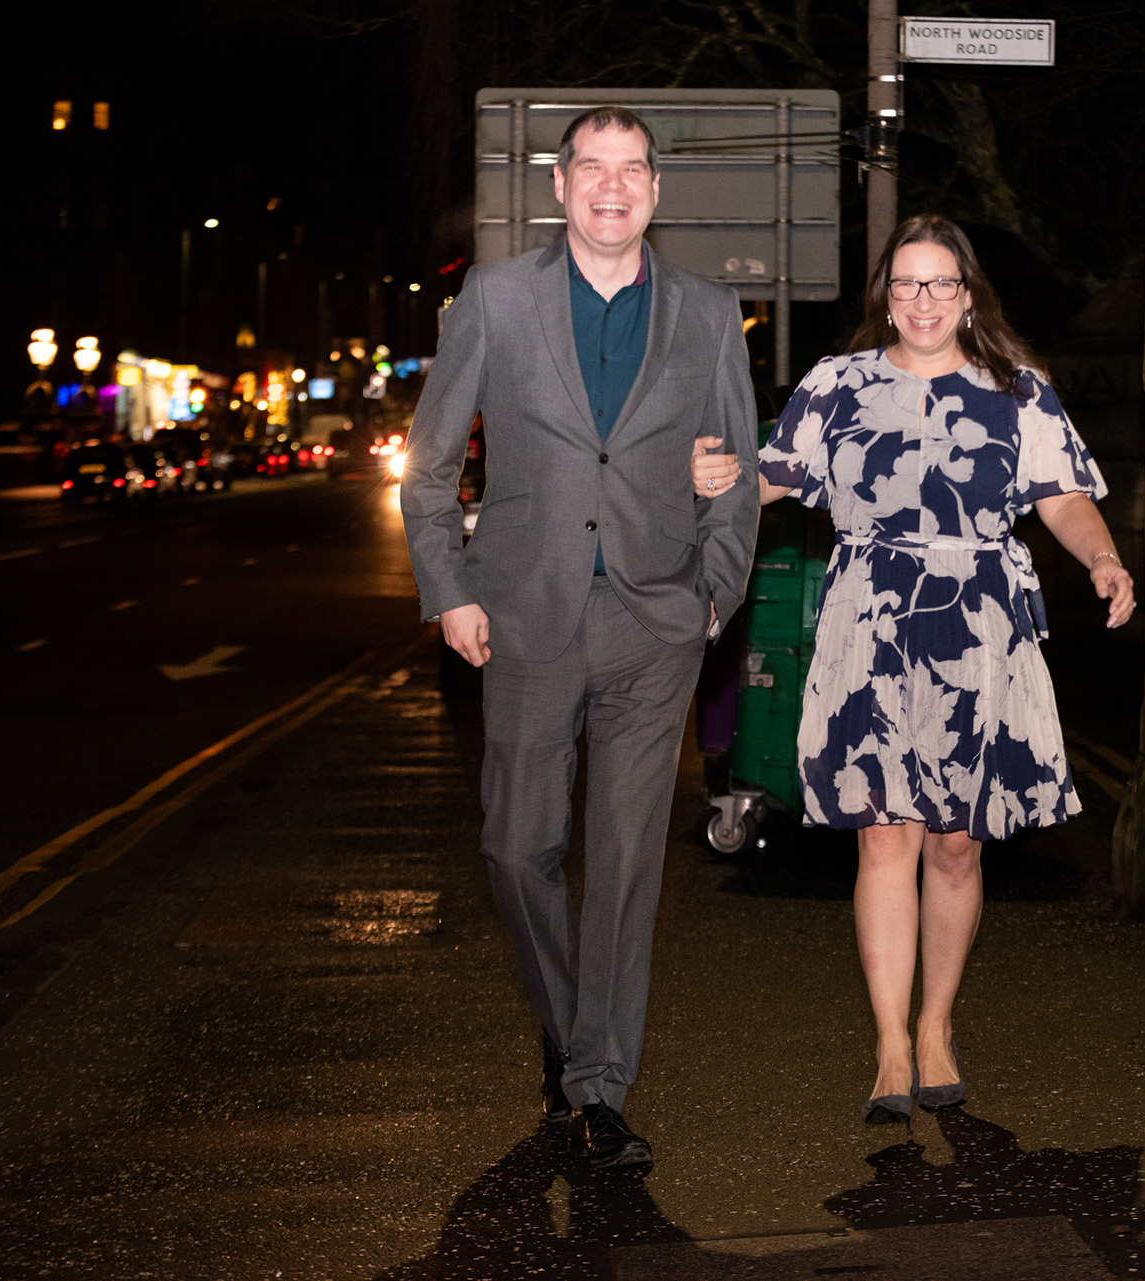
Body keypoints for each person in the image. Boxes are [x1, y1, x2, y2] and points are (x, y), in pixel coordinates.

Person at [692, 214, 1134, 1124]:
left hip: (979, 627)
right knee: (884, 834)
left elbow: (1062, 494)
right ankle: (892, 1042)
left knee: (955, 840)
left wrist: (1102, 558)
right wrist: (710, 475)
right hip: (871, 626)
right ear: (886, 296)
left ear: (967, 296)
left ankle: (938, 1025)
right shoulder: (838, 385)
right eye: (905, 283)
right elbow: (769, 476)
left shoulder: (1016, 390)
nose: (922, 299)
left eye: (939, 282)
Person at [402, 106, 760, 1170]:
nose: (612, 186)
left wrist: (713, 599)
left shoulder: (707, 313)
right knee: (517, 849)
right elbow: (429, 466)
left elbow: (736, 478)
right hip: (523, 615)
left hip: (656, 623)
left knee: (626, 862)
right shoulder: (497, 299)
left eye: (631, 168)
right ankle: (569, 1028)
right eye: (591, 167)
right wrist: (448, 591)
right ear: (559, 185)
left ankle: (600, 1084)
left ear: (655, 189)